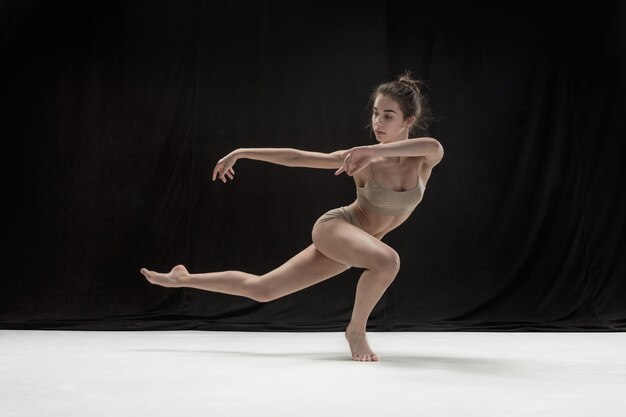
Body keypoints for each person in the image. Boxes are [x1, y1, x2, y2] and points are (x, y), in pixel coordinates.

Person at [140, 71, 444, 362]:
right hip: (338, 228)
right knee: (388, 261)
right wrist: (242, 152)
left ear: (409, 120)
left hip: (359, 245)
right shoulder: (358, 159)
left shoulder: (423, 158)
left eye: (388, 116)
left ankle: (183, 278)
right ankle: (356, 331)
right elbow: (296, 157)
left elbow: (433, 145)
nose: (378, 122)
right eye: (376, 113)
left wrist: (372, 151)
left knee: (263, 289)